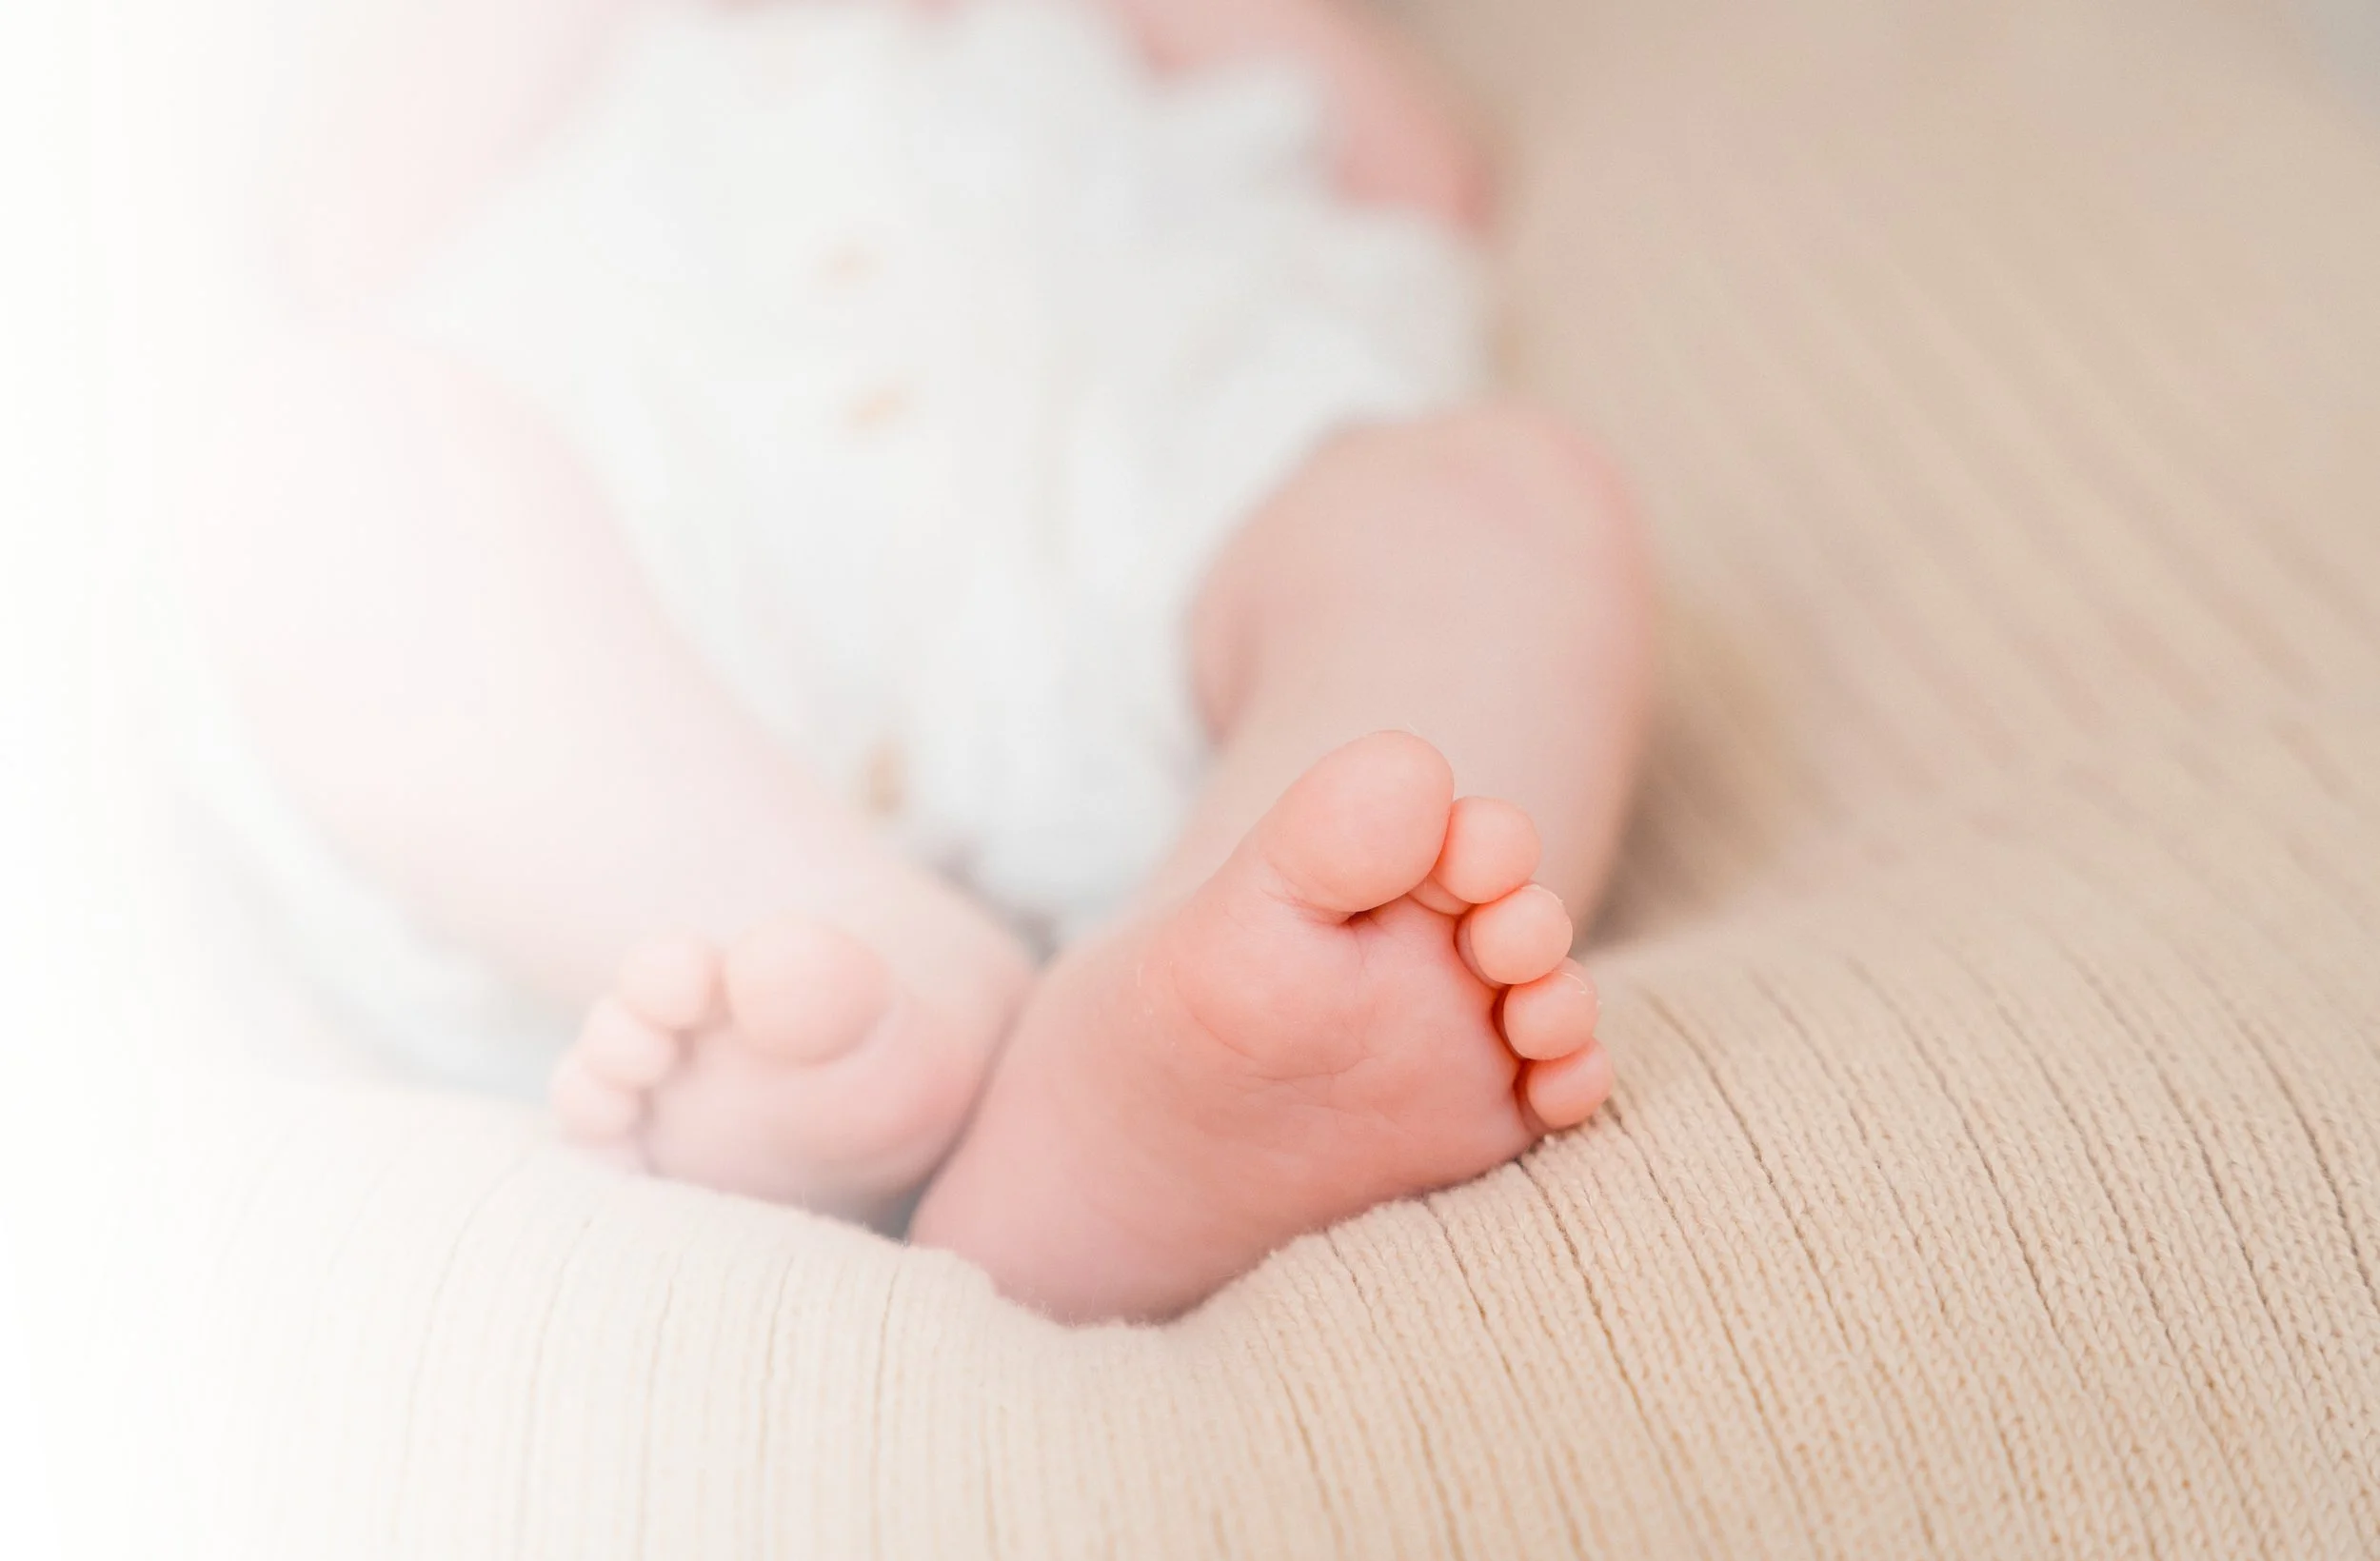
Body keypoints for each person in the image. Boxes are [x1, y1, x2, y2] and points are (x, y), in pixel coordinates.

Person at [180, 0, 1653, 1323]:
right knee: (315, 476)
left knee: (1506, 501)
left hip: (1142, 561)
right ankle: (828, 980)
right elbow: (347, 236)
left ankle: (1178, 1044)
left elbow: (1418, 182)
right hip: (655, 657)